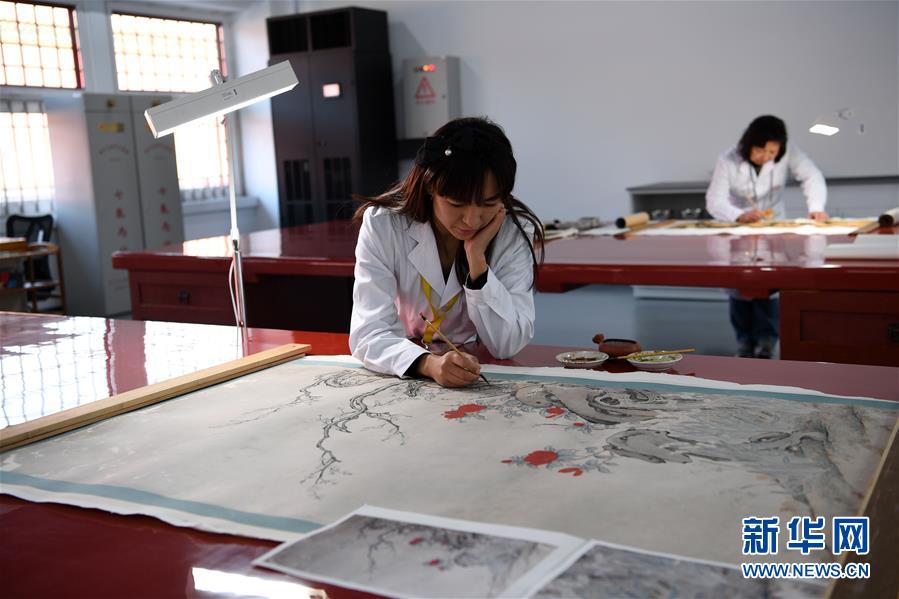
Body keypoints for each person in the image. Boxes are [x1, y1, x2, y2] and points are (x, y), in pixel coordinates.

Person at [349, 117, 544, 387]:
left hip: (478, 370)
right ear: (431, 187)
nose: (472, 220)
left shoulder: (513, 232)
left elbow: (506, 345)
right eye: (457, 204)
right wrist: (428, 364)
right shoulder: (384, 224)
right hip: (406, 368)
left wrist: (477, 263)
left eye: (488, 204)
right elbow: (369, 333)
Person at [705, 115, 827, 359]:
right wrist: (739, 215)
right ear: (748, 144)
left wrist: (816, 206)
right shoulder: (728, 159)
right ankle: (744, 341)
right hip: (738, 223)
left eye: (772, 151)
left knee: (771, 283)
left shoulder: (788, 152)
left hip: (772, 223)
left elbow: (812, 175)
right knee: (739, 285)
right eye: (761, 149)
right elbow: (714, 200)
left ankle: (767, 340)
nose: (766, 156)